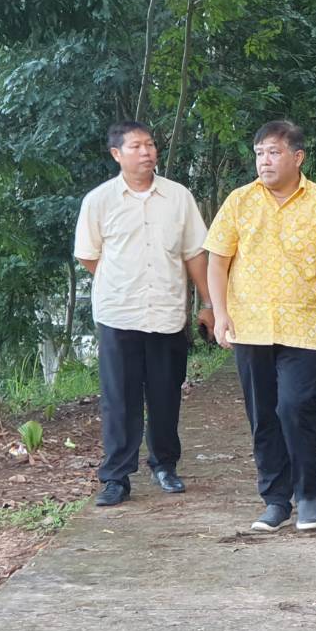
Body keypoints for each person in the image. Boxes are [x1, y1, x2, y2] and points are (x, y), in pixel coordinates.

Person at [205, 120, 316, 533]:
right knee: (263, 415)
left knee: (296, 406)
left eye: (273, 152)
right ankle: (275, 499)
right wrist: (219, 314)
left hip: (305, 327)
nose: (264, 161)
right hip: (249, 326)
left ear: (298, 156)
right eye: (259, 153)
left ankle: (307, 494)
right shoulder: (239, 202)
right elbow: (217, 262)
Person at [74, 121, 215, 507]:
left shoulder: (178, 197)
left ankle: (165, 465)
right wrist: (123, 282)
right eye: (136, 146)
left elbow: (194, 255)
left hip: (168, 313)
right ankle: (116, 477)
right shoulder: (99, 201)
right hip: (119, 315)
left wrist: (208, 304)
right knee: (119, 399)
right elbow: (89, 256)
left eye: (150, 145)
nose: (146, 152)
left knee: (166, 395)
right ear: (116, 154)